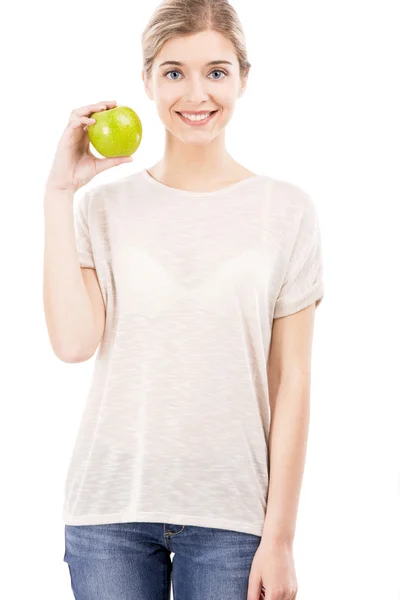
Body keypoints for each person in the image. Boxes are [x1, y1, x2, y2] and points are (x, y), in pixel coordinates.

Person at [43, 0, 324, 598]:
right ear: (145, 79)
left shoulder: (287, 210)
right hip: (108, 513)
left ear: (244, 78)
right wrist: (58, 193)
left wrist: (280, 539)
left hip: (232, 518)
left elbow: (292, 381)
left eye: (216, 72)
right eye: (174, 72)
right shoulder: (102, 206)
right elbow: (72, 343)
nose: (196, 93)